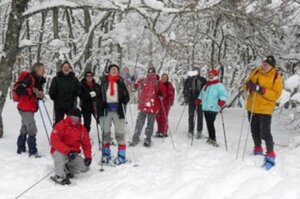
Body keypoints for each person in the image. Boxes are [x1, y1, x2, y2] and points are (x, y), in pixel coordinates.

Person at [243, 56, 283, 170]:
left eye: (266, 65)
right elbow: (245, 84)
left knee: (265, 132)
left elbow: (276, 95)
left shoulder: (276, 77)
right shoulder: (256, 72)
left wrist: (261, 90)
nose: (263, 66)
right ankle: (258, 148)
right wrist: (248, 86)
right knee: (254, 130)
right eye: (263, 63)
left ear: (272, 66)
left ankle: (270, 153)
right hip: (252, 107)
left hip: (265, 109)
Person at [50, 108, 92, 185]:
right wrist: (68, 151)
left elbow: (86, 145)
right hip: (60, 151)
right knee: (60, 156)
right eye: (72, 117)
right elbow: (55, 141)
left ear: (79, 118)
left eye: (76, 117)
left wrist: (88, 157)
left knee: (85, 168)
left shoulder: (82, 129)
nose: (74, 119)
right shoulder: (61, 125)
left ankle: (66, 168)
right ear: (69, 116)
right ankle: (59, 176)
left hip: (73, 154)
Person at [98, 64, 130, 165]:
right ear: (109, 71)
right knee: (105, 132)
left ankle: (122, 156)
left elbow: (126, 96)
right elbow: (98, 95)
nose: (114, 71)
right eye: (112, 69)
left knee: (120, 133)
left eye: (116, 69)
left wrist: (124, 99)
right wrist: (101, 103)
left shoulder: (120, 82)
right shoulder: (103, 81)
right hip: (106, 110)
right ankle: (106, 154)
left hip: (118, 110)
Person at [15, 62, 46, 157]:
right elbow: (19, 90)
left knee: (24, 127)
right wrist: (31, 91)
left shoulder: (39, 80)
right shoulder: (29, 78)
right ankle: (32, 151)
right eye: (42, 69)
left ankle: (20, 148)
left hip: (30, 107)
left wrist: (39, 95)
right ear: (37, 70)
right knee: (32, 128)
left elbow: (35, 94)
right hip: (25, 107)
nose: (44, 71)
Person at [196, 69, 228, 147]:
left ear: (215, 76)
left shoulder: (219, 85)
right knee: (208, 123)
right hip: (206, 107)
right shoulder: (206, 85)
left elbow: (223, 94)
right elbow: (201, 94)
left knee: (210, 123)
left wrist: (222, 100)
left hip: (213, 107)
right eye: (209, 75)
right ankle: (211, 138)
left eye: (212, 75)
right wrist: (199, 99)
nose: (210, 76)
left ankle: (213, 139)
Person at [130, 67, 161, 147]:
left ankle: (148, 139)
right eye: (149, 72)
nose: (150, 73)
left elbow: (162, 91)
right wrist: (133, 81)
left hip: (153, 106)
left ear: (154, 72)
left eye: (152, 72)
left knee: (150, 124)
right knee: (139, 123)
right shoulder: (143, 80)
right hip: (143, 105)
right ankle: (135, 138)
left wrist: (161, 93)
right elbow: (134, 88)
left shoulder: (157, 81)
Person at [49, 61, 81, 125]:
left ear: (70, 69)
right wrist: (53, 95)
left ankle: (70, 135)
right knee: (58, 123)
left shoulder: (74, 79)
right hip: (59, 105)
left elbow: (79, 89)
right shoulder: (56, 79)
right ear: (62, 68)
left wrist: (76, 93)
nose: (66, 68)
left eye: (67, 67)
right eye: (64, 67)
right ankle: (57, 134)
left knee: (72, 122)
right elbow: (52, 90)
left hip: (71, 105)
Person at [183, 67, 207, 139]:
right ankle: (190, 130)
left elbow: (205, 90)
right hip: (191, 100)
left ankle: (199, 131)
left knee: (200, 116)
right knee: (191, 116)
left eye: (197, 71)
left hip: (200, 101)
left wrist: (202, 99)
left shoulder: (203, 80)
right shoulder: (189, 79)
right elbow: (185, 89)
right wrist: (186, 98)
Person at [156, 73, 175, 137]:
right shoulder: (158, 84)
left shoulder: (168, 85)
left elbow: (171, 93)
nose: (163, 78)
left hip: (166, 103)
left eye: (165, 77)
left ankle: (163, 131)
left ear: (167, 78)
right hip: (158, 103)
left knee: (164, 117)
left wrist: (170, 99)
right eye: (162, 77)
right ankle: (159, 130)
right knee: (158, 117)